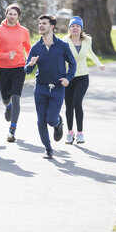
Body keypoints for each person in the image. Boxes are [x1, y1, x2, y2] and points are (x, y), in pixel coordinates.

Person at [24, 14, 76, 159]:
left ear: (52, 26)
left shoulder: (62, 46)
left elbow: (72, 63)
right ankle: (48, 149)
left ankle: (58, 123)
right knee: (41, 120)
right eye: (39, 23)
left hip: (58, 88)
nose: (41, 25)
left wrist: (68, 78)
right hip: (40, 88)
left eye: (44, 23)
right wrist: (31, 64)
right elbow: (27, 70)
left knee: (51, 119)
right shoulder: (36, 47)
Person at [63, 16, 105, 144]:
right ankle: (70, 132)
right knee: (68, 105)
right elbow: (60, 57)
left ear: (81, 28)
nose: (75, 28)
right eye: (73, 26)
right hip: (68, 77)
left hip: (82, 76)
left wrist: (99, 64)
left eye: (77, 26)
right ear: (69, 28)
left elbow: (90, 53)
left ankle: (80, 133)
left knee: (77, 103)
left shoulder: (87, 40)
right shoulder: (64, 41)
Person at [0, 3, 31, 142]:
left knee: (16, 98)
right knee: (6, 98)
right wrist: (6, 55)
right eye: (10, 14)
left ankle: (12, 130)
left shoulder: (24, 31)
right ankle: (7, 106)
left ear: (18, 16)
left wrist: (29, 61)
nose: (12, 16)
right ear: (6, 14)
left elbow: (28, 49)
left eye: (15, 14)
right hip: (3, 69)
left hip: (19, 68)